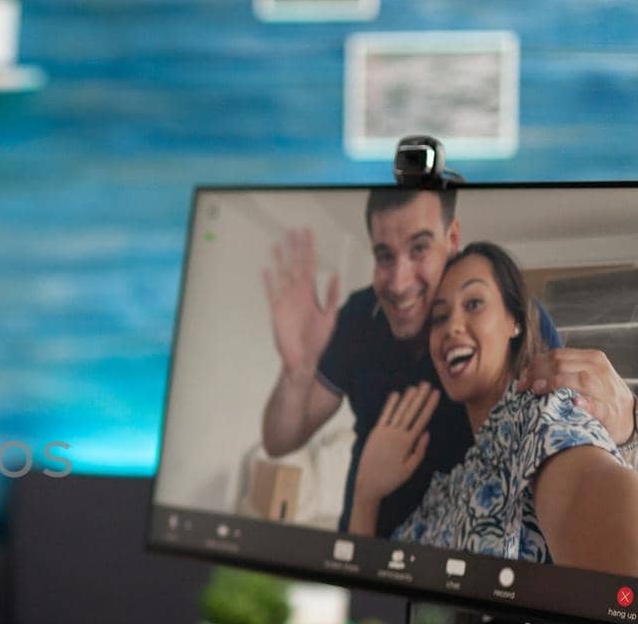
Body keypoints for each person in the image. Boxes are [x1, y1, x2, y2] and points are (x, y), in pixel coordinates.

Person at [259, 188, 638, 536]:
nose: (399, 282)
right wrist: (297, 371)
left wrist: (625, 426)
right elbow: (279, 442)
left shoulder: (534, 402)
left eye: (419, 248)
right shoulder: (357, 317)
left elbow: (571, 441)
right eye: (384, 256)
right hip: (372, 543)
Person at [347, 242, 638, 574]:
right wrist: (365, 494)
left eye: (473, 304)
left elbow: (588, 488)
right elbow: (372, 590)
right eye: (439, 317)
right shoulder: (445, 488)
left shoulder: (539, 413)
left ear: (514, 320)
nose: (452, 327)